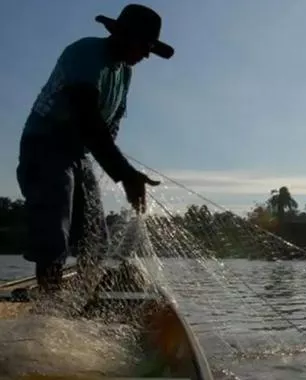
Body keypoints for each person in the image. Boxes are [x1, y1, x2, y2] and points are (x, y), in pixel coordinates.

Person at [16, 4, 174, 294]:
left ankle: (82, 301)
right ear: (122, 35)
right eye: (143, 45)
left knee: (95, 239)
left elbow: (107, 129)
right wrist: (125, 173)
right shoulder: (86, 54)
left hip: (78, 153)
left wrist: (122, 170)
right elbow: (88, 119)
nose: (146, 54)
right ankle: (48, 312)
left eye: (150, 47)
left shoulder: (124, 73)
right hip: (45, 146)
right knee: (54, 233)